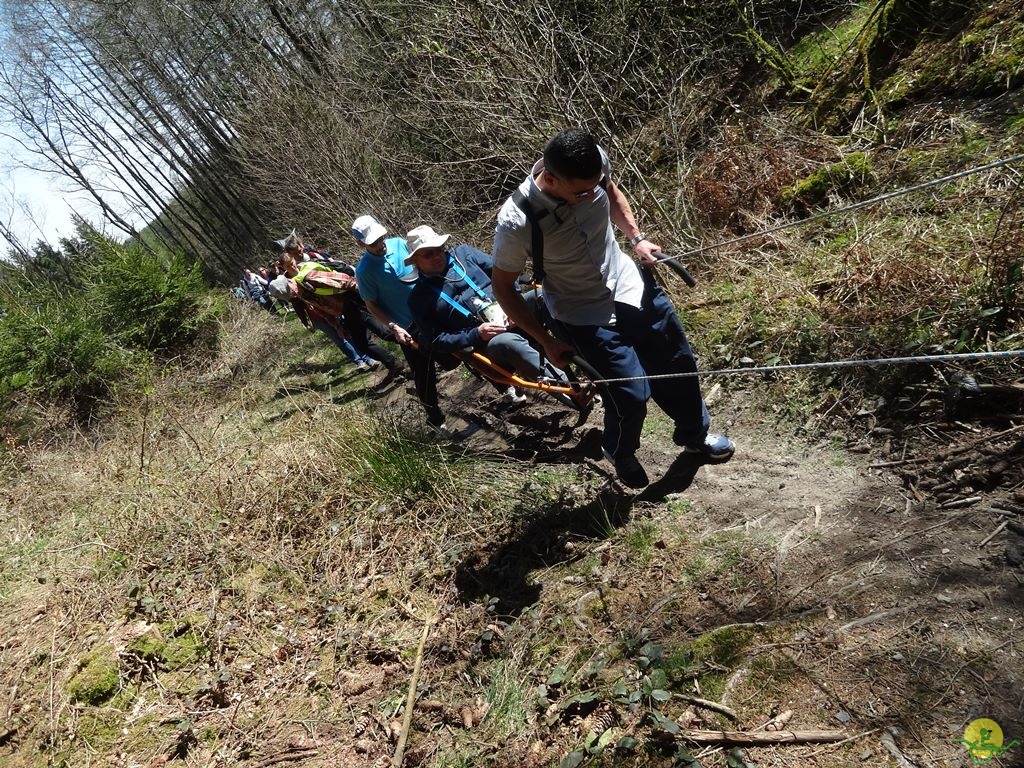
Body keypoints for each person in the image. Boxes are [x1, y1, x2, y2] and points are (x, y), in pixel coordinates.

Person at [491, 128, 734, 488]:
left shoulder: (594, 165)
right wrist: (545, 341)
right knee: (630, 393)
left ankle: (694, 436)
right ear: (551, 178)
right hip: (582, 313)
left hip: (630, 286)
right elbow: (503, 287)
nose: (589, 195)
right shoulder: (517, 221)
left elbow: (612, 191)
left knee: (676, 364)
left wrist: (636, 239)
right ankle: (619, 449)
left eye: (592, 187)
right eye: (580, 193)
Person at [405, 225, 567, 404]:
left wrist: (513, 302)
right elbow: (436, 339)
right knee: (507, 342)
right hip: (488, 343)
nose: (437, 256)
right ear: (415, 261)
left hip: (512, 312)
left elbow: (503, 273)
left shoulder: (464, 255)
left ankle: (581, 352)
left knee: (544, 296)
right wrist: (476, 334)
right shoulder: (418, 299)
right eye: (428, 254)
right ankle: (570, 385)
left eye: (439, 250)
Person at [352, 215, 444, 428]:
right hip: (407, 325)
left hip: (433, 310)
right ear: (360, 243)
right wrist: (393, 326)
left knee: (465, 346)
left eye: (380, 238)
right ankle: (436, 421)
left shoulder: (400, 244)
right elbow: (371, 305)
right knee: (423, 374)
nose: (379, 244)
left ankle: (503, 386)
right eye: (372, 243)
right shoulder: (364, 271)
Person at [278, 251, 404, 381]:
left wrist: (367, 296)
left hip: (354, 301)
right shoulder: (297, 289)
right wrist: (336, 325)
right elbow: (321, 307)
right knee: (362, 344)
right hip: (345, 310)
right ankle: (394, 364)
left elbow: (343, 281)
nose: (292, 267)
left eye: (292, 263)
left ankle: (417, 345)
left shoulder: (309, 275)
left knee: (384, 331)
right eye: (288, 266)